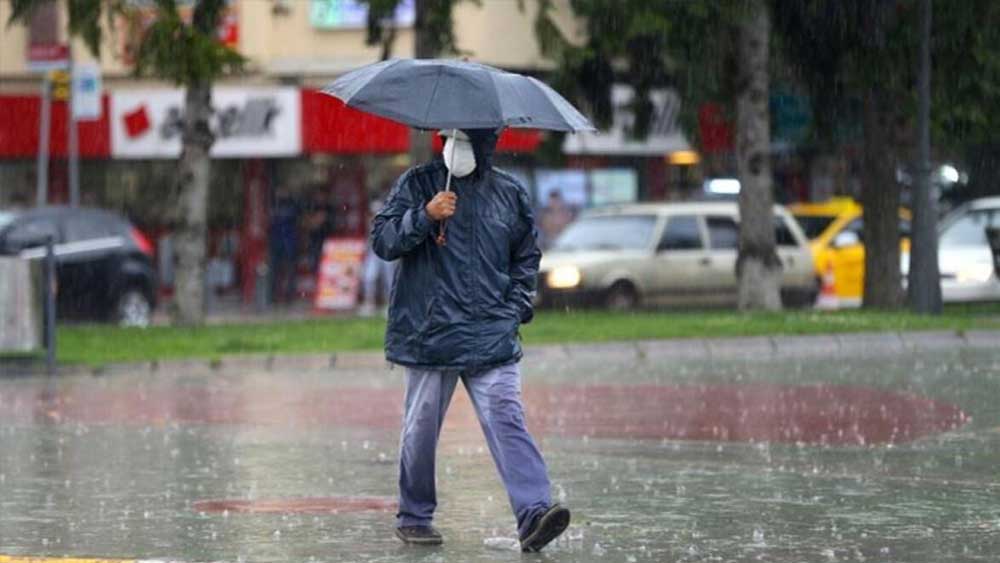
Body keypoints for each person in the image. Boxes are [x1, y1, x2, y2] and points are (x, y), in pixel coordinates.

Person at [371, 128, 570, 552]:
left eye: (468, 139)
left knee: (507, 417)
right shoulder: (417, 184)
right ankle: (415, 515)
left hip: (491, 334)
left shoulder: (508, 193)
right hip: (431, 333)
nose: (457, 148)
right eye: (450, 138)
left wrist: (516, 306)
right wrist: (425, 215)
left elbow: (525, 256)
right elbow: (384, 241)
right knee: (420, 429)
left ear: (487, 144)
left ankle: (534, 512)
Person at [269, 185, 299, 304]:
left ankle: (288, 295)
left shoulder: (291, 206)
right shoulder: (276, 205)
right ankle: (276, 294)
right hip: (279, 242)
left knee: (288, 269)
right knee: (277, 270)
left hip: (287, 242)